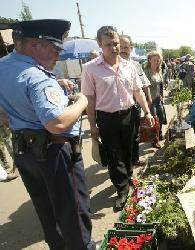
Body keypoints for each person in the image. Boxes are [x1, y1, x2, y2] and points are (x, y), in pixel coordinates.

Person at [0, 19, 95, 249]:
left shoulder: (4, 66)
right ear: (35, 45)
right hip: (55, 154)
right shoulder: (36, 77)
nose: (58, 56)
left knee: (48, 213)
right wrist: (82, 101)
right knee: (73, 215)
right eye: (55, 49)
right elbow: (57, 123)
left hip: (26, 151)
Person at [81, 26, 154, 211]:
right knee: (114, 155)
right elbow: (89, 100)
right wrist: (92, 125)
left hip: (129, 115)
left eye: (116, 43)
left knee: (128, 150)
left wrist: (147, 112)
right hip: (106, 119)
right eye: (109, 44)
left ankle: (129, 178)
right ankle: (122, 190)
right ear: (100, 44)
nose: (114, 48)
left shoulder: (129, 66)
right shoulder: (90, 69)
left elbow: (137, 91)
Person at [119, 35, 152, 166]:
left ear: (131, 48)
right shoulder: (110, 65)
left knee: (135, 133)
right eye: (120, 47)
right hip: (119, 108)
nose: (123, 50)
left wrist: (148, 99)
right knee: (122, 137)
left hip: (135, 105)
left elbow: (144, 83)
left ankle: (134, 158)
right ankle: (123, 162)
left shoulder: (136, 65)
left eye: (126, 47)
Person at [144, 51, 167, 149]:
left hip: (158, 99)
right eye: (154, 60)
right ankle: (154, 140)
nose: (157, 62)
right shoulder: (146, 72)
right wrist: (148, 100)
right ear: (149, 60)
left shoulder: (158, 71)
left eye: (158, 60)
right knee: (154, 119)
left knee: (161, 117)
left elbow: (161, 84)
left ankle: (159, 133)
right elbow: (145, 87)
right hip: (150, 100)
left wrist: (161, 95)